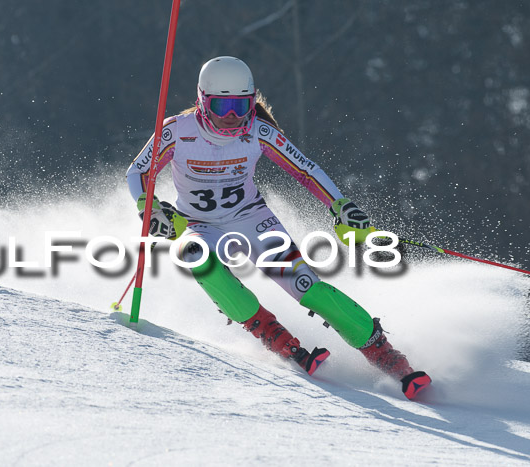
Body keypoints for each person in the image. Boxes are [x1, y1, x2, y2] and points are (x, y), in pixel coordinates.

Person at [126, 56, 431, 400]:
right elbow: (137, 172)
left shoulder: (258, 130)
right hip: (199, 224)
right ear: (202, 101)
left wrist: (341, 206)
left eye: (241, 105)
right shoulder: (177, 131)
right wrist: (146, 207)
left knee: (307, 287)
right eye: (222, 106)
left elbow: (306, 170)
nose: (232, 117)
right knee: (197, 258)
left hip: (252, 218)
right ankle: (270, 331)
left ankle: (384, 354)